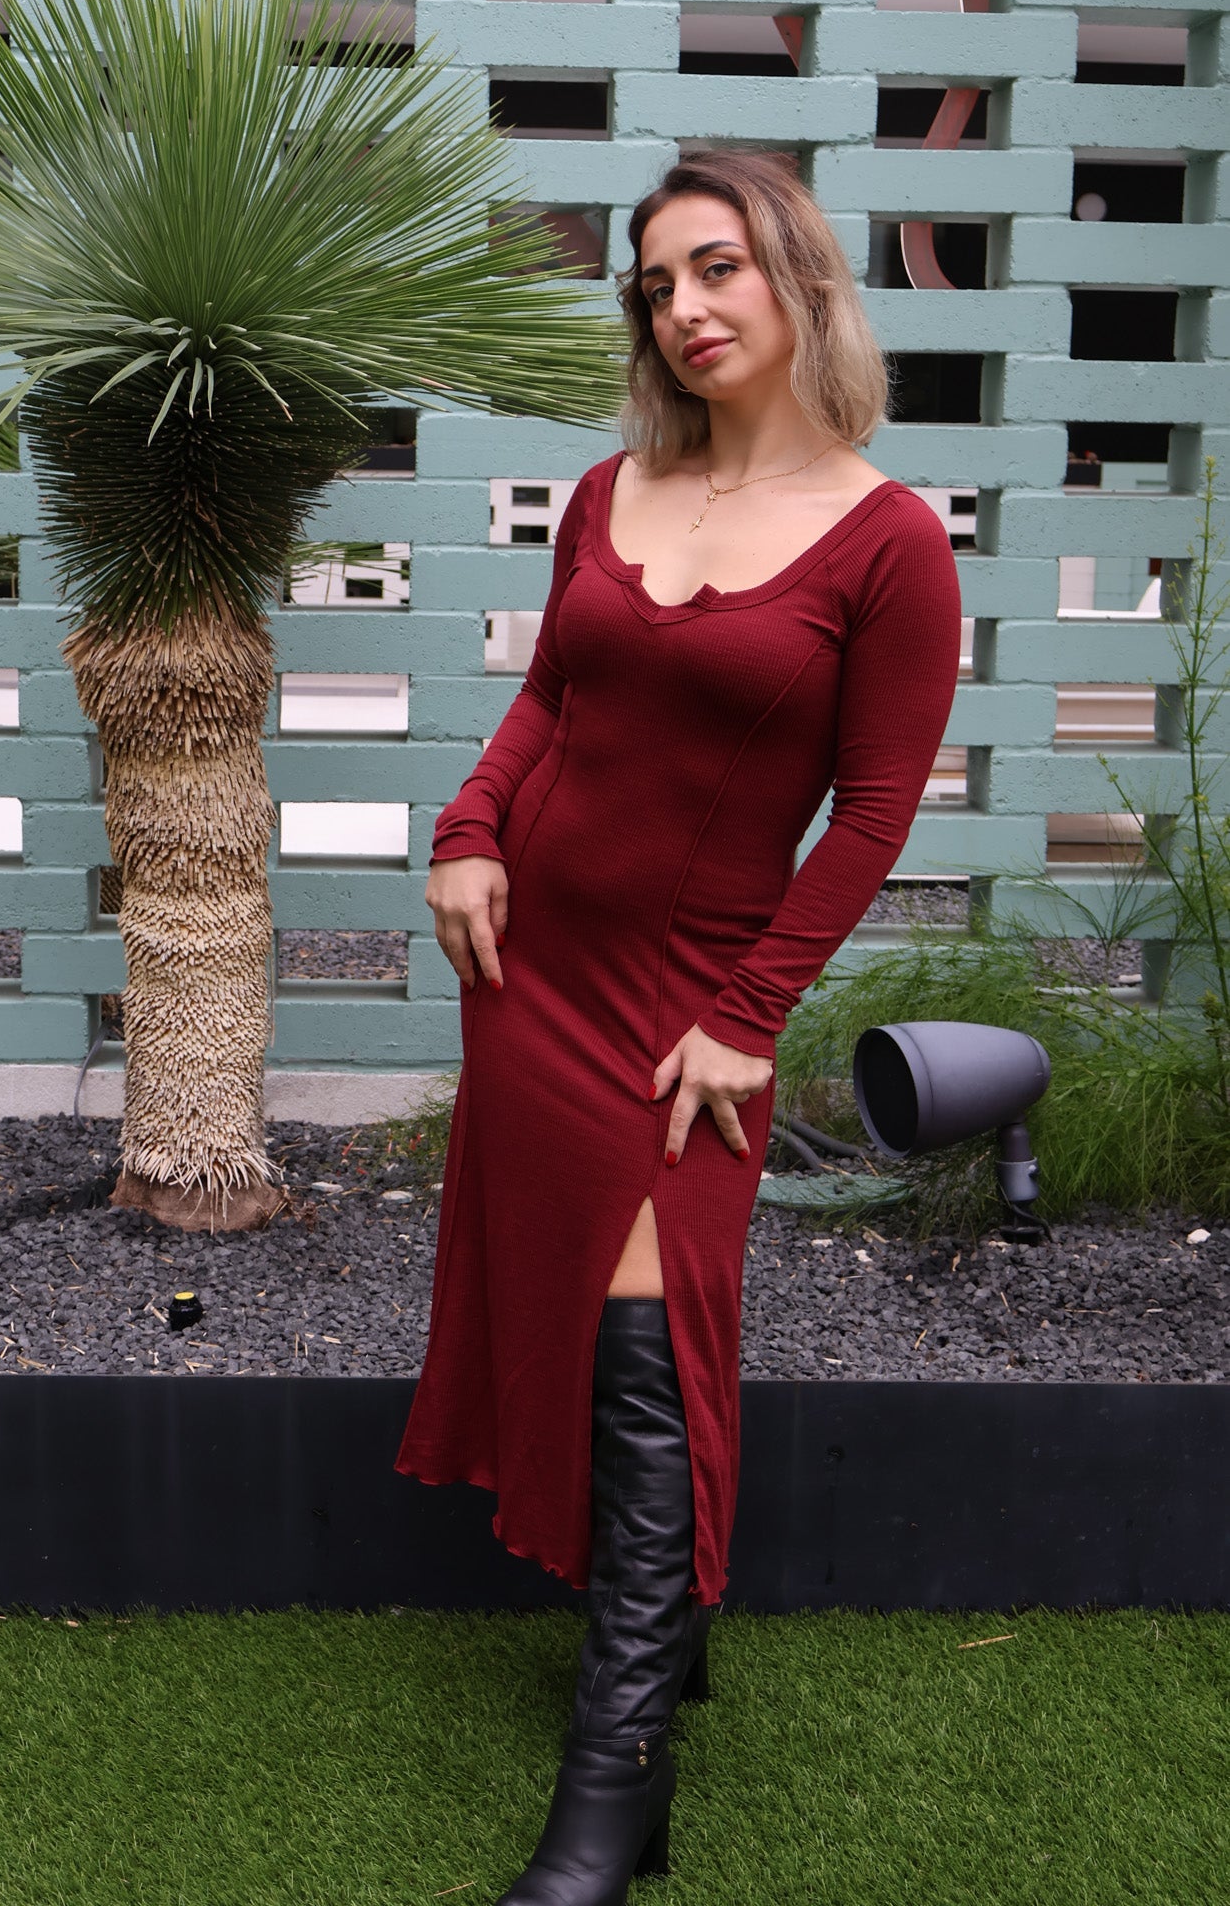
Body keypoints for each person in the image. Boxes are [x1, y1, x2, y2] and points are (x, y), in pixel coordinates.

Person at [396, 149, 963, 1904]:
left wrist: (748, 1018)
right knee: (569, 1318)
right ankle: (667, 1635)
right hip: (531, 982)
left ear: (797, 279)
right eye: (656, 283)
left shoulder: (887, 541)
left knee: (642, 1328)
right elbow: (553, 698)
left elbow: (871, 811)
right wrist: (468, 834)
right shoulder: (606, 489)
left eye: (717, 268)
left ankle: (616, 1780)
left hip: (683, 1015)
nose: (687, 308)